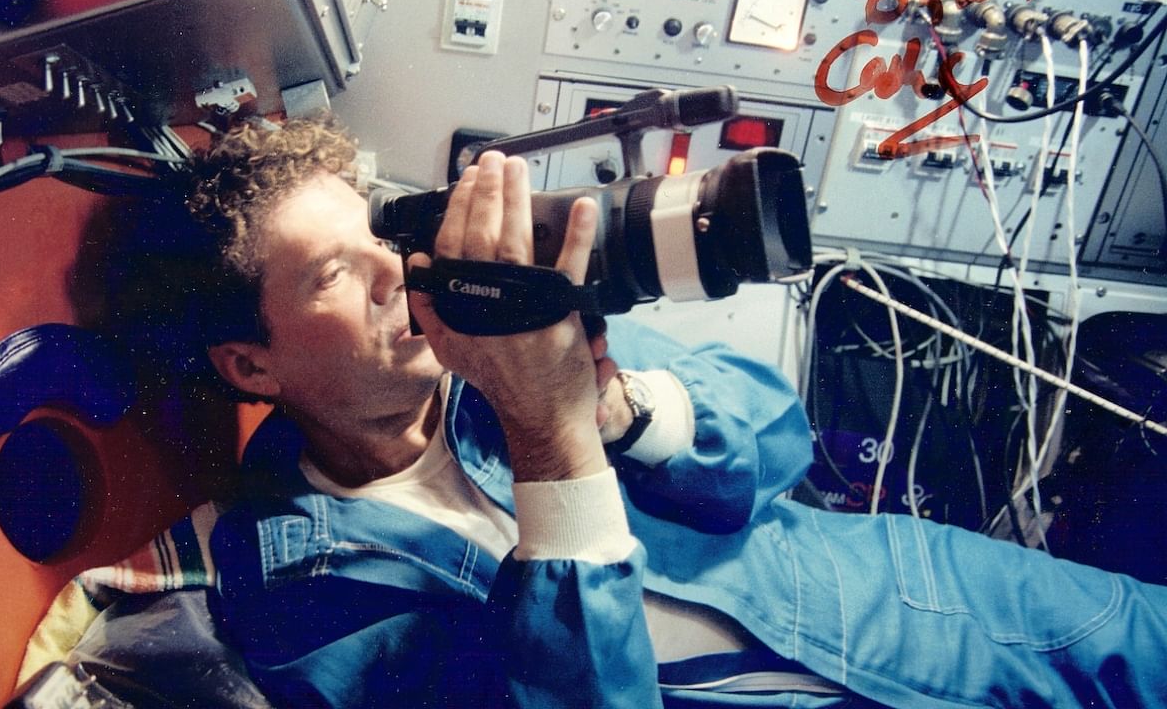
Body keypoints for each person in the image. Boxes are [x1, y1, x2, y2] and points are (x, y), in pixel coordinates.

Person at [109, 115, 1167, 708]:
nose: (398, 274)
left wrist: (611, 405)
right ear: (251, 365)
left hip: (942, 607)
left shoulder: (501, 337)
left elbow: (770, 450)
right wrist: (549, 432)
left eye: (384, 237)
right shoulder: (292, 591)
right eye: (334, 275)